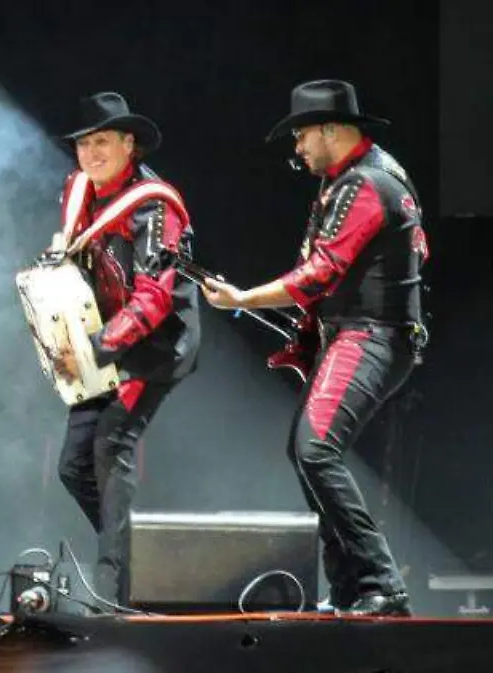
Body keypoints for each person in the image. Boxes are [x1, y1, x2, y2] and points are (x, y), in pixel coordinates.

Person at [201, 80, 427, 617]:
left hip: (371, 334)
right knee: (305, 450)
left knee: (316, 449)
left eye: (301, 134)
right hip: (359, 332)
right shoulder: (360, 177)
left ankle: (383, 583)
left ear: (330, 129)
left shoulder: (367, 184)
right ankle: (349, 585)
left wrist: (243, 298)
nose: (297, 147)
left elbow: (320, 274)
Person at [51, 92, 201, 608]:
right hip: (104, 342)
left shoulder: (154, 205)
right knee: (73, 465)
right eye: (83, 144)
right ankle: (140, 561)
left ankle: (115, 593)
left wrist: (94, 349)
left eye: (102, 142)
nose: (91, 154)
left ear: (128, 144)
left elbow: (154, 298)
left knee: (111, 446)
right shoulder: (77, 190)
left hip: (155, 345)